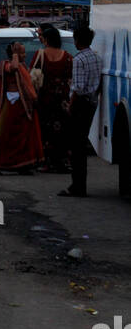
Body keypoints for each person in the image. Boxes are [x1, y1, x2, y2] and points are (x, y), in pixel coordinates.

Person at [58, 26, 102, 199]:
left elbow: (78, 87)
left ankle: (78, 186)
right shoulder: (96, 58)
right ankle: (78, 185)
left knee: (76, 147)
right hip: (91, 103)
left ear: (77, 40)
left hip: (80, 104)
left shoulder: (79, 59)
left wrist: (70, 105)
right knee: (80, 145)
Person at [0, 41, 43, 174]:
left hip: (23, 106)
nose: (25, 55)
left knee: (24, 137)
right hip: (11, 105)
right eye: (22, 53)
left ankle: (22, 165)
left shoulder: (23, 66)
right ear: (14, 54)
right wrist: (15, 55)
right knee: (5, 136)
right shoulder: (5, 64)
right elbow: (13, 67)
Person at [31, 25, 73, 173]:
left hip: (45, 100)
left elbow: (33, 76)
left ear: (47, 40)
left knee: (45, 130)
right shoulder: (67, 56)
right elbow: (70, 79)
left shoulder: (40, 54)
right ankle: (62, 161)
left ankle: (47, 161)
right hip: (62, 101)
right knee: (62, 131)